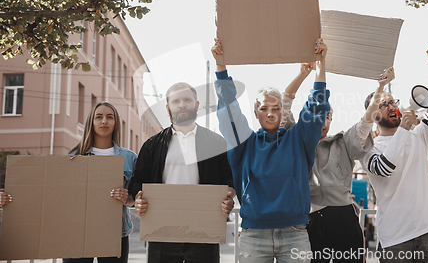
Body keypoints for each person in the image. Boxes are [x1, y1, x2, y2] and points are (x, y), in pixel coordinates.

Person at [212, 38, 330, 263]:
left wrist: (320, 65)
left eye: (276, 108)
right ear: (256, 113)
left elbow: (316, 106)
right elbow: (230, 112)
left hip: (295, 234)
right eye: (264, 108)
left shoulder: (298, 139)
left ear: (282, 112)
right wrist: (221, 67)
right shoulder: (244, 143)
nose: (270, 113)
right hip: (253, 235)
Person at [281, 63, 395, 263]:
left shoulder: (343, 141)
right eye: (319, 116)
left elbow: (366, 122)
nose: (323, 123)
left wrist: (380, 88)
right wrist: (303, 74)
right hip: (308, 220)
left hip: (342, 217)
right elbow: (283, 108)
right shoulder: (295, 139)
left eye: (327, 117)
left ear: (332, 120)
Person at [129, 82, 235, 263]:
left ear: (197, 105)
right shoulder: (153, 145)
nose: (182, 104)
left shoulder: (216, 143)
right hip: (162, 233)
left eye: (187, 99)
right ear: (168, 107)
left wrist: (229, 198)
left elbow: (229, 181)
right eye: (176, 101)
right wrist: (138, 199)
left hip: (204, 234)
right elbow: (138, 180)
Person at [361, 46, 428, 263]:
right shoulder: (367, 148)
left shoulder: (418, 135)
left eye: (393, 102)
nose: (391, 106)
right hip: (395, 239)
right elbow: (384, 167)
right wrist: (404, 131)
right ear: (372, 115)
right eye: (384, 104)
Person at [65, 101, 138, 263]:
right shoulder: (74, 156)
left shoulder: (130, 158)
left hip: (115, 231)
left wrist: (127, 198)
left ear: (115, 123)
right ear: (91, 122)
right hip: (77, 231)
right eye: (99, 117)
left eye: (109, 117)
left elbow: (135, 199)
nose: (104, 121)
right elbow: (62, 195)